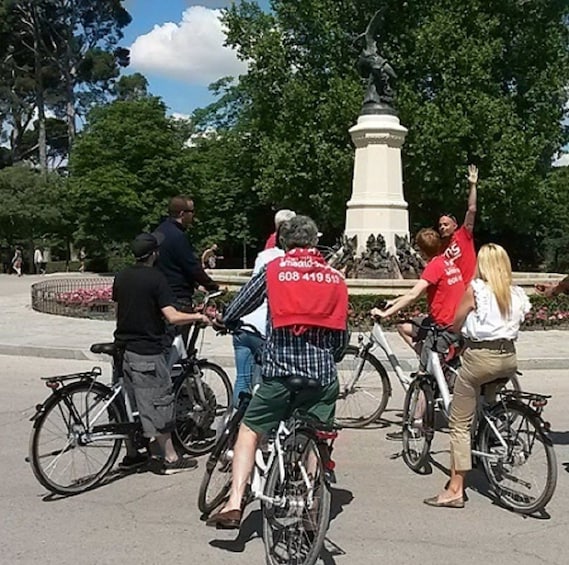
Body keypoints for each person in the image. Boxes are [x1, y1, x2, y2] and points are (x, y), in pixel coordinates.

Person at [206, 215, 349, 529]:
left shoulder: (275, 270)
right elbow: (341, 334)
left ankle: (233, 503)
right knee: (319, 436)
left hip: (280, 372)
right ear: (314, 242)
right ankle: (312, 508)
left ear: (284, 242)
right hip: (321, 374)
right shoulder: (334, 277)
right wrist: (330, 357)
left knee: (250, 430)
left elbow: (242, 303)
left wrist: (227, 319)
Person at [424, 243, 531, 508]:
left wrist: (461, 330)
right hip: (508, 357)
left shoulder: (477, 290)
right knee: (488, 399)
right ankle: (488, 434)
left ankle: (455, 490)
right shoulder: (516, 293)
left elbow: (456, 321)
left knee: (459, 423)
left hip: (479, 358)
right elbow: (521, 320)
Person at [113, 232, 211, 474]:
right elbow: (172, 316)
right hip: (146, 349)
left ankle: (133, 453)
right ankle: (170, 458)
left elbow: (119, 310)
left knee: (128, 403)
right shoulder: (156, 279)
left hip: (121, 348)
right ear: (154, 254)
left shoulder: (122, 276)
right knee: (158, 401)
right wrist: (198, 316)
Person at [371, 228, 464, 366]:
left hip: (443, 326)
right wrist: (393, 301)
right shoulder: (447, 262)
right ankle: (430, 359)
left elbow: (413, 295)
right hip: (457, 321)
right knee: (403, 326)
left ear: (421, 251)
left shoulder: (434, 266)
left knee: (425, 373)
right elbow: (419, 292)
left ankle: (429, 365)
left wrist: (385, 314)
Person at [230, 236, 285, 406]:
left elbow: (245, 298)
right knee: (263, 383)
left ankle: (235, 421)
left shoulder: (263, 258)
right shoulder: (284, 266)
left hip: (244, 325)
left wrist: (227, 319)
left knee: (242, 378)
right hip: (263, 330)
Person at [155, 195, 219, 311]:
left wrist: (196, 285)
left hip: (159, 294)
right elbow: (191, 266)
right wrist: (212, 286)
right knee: (178, 328)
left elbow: (171, 263)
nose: (193, 215)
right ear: (182, 213)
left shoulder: (158, 232)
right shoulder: (178, 236)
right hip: (178, 296)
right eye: (192, 211)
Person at [438, 164, 479, 283]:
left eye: (446, 224)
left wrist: (472, 185)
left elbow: (472, 209)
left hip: (470, 287)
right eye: (440, 225)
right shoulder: (440, 248)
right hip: (455, 291)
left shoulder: (464, 235)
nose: (442, 227)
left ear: (455, 226)